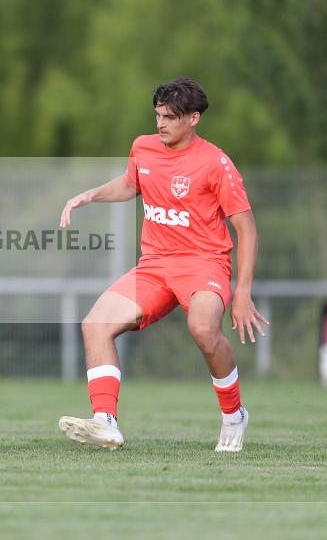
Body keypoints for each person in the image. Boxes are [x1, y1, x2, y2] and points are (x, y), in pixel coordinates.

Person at [57, 78, 268, 453]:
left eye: (170, 117)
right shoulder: (143, 147)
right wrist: (90, 195)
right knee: (95, 325)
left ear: (194, 118)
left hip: (204, 263)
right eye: (157, 115)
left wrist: (244, 292)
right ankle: (106, 423)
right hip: (155, 264)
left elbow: (246, 229)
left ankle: (234, 415)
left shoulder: (215, 163)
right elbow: (130, 184)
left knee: (203, 329)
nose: (161, 124)